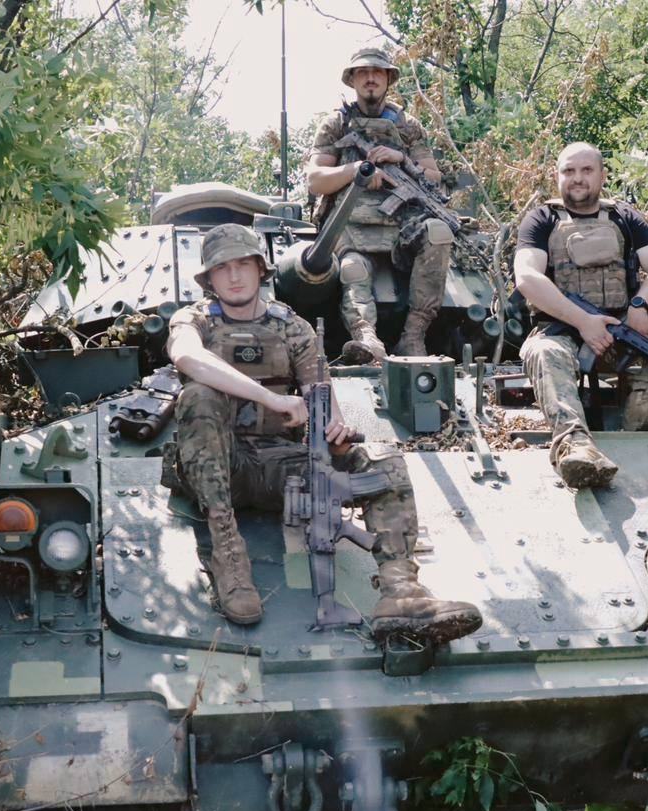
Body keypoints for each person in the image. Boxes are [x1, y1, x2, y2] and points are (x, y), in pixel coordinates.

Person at [166, 223, 481, 642]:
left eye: (243, 264)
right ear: (209, 278)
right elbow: (187, 357)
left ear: (261, 269)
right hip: (216, 468)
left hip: (279, 467)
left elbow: (321, 397)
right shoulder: (194, 320)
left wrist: (336, 435)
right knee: (198, 396)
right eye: (223, 268)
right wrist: (271, 398)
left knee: (382, 461)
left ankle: (401, 592)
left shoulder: (291, 327)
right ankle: (229, 558)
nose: (235, 276)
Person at [514, 142, 648, 489]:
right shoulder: (542, 220)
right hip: (564, 337)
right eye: (569, 171)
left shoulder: (623, 217)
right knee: (542, 350)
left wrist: (639, 304)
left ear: (602, 175)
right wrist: (583, 322)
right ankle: (575, 444)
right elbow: (526, 277)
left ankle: (641, 404)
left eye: (586, 170)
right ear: (558, 176)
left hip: (622, 333)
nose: (577, 178)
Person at [306, 46, 452, 363]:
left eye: (377, 72)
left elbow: (433, 177)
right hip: (350, 225)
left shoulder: (408, 126)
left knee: (439, 233)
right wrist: (356, 172)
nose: (370, 78)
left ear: (388, 79)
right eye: (363, 72)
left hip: (403, 225)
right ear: (352, 80)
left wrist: (401, 160)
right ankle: (367, 339)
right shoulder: (336, 124)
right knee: (353, 269)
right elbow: (315, 179)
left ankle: (413, 337)